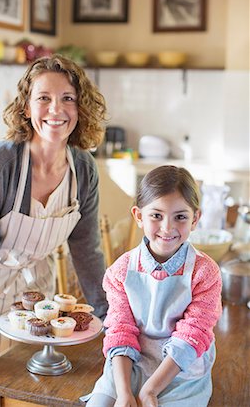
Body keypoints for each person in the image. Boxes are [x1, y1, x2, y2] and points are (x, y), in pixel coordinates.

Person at [0, 54, 108, 406]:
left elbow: (87, 250)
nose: (57, 109)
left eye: (68, 98)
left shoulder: (83, 170)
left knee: (29, 387)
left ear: (80, 107)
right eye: (44, 98)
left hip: (32, 291)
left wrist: (109, 319)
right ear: (26, 107)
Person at [83, 165, 222, 407]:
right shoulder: (121, 270)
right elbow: (120, 330)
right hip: (130, 363)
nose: (167, 228)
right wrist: (125, 392)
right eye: (156, 215)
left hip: (180, 370)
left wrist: (150, 390)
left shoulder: (205, 272)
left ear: (195, 219)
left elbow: (192, 336)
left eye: (180, 216)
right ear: (138, 216)